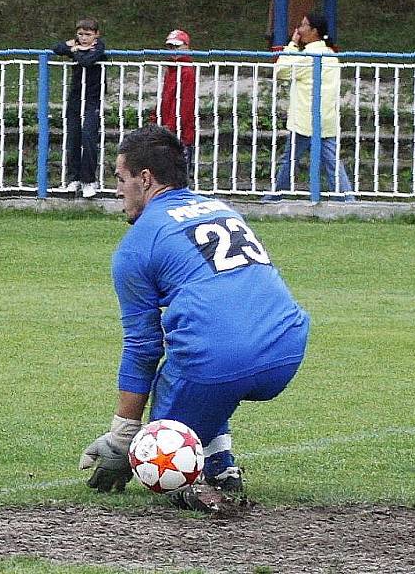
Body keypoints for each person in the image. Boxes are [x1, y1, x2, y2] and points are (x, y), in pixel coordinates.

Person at [79, 124, 309, 512]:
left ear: (145, 178)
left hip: (223, 359)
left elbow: (142, 347)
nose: (117, 190)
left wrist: (123, 439)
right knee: (196, 362)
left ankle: (194, 483)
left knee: (161, 440)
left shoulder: (136, 245)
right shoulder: (220, 207)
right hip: (287, 345)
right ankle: (221, 467)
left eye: (120, 179)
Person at [262, 12, 355, 202]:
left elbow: (280, 71)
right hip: (326, 118)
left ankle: (276, 195)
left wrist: (293, 45)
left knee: (290, 160)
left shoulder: (309, 56)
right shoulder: (331, 55)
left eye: (304, 25)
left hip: (305, 120)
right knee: (331, 162)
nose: (299, 29)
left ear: (314, 31)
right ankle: (347, 200)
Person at [53, 18, 106, 199]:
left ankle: (88, 180)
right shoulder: (77, 45)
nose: (83, 38)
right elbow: (57, 48)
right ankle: (73, 177)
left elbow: (87, 60)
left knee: (89, 137)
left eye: (88, 35)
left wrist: (74, 51)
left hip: (92, 98)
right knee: (73, 137)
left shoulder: (99, 47)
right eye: (80, 34)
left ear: (96, 35)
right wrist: (74, 48)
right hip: (75, 97)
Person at [149, 29, 197, 174]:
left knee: (178, 175)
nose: (173, 50)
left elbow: (185, 104)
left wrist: (171, 126)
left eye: (177, 46)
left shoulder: (186, 71)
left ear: (186, 47)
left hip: (180, 132)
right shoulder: (172, 69)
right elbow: (165, 97)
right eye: (170, 47)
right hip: (168, 129)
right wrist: (156, 117)